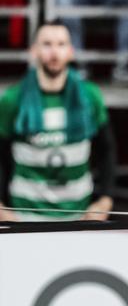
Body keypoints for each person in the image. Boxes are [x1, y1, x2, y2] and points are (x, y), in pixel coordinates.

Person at [0, 21, 115, 221]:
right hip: (24, 217)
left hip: (79, 217)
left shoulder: (90, 96)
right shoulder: (12, 99)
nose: (54, 52)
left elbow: (107, 150)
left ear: (70, 52)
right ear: (33, 51)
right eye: (47, 44)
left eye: (61, 44)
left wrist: (105, 199)